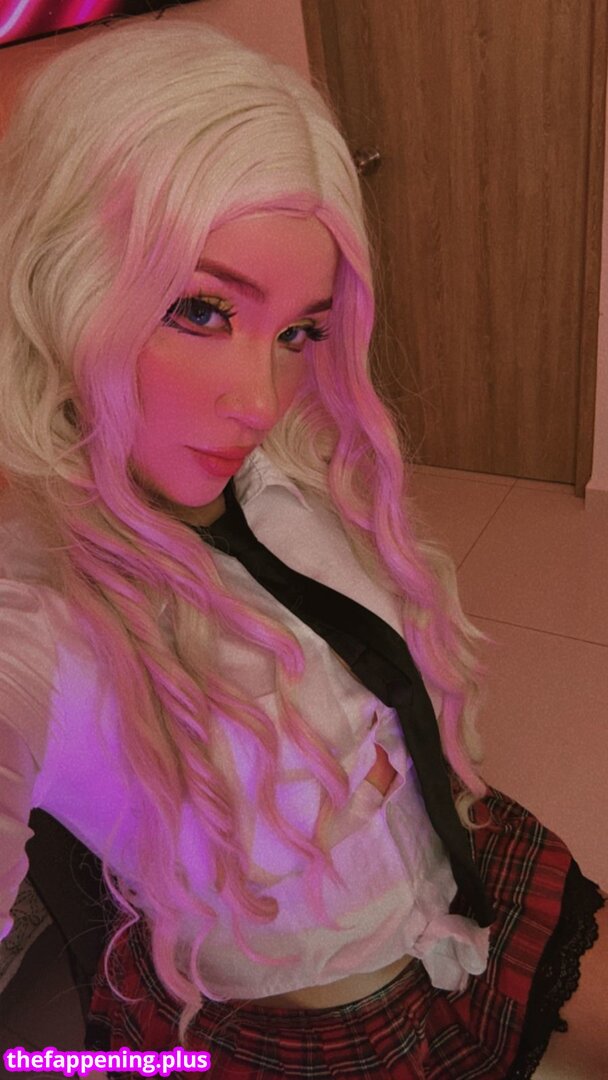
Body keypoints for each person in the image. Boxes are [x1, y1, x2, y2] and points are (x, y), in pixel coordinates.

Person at [0, 15, 605, 1079]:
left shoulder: (270, 460)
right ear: (61, 279)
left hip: (456, 864)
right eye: (200, 309)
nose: (260, 397)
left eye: (295, 332)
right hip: (324, 1018)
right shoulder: (31, 603)